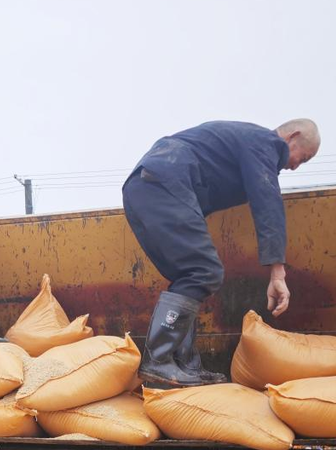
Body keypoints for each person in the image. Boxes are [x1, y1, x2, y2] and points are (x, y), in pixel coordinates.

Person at [122, 119, 321, 387]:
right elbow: (267, 201)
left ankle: (184, 365)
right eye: (303, 157)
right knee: (204, 271)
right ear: (292, 136)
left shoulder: (244, 144)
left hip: (145, 187)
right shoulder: (266, 143)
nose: (295, 165)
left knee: (190, 276)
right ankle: (158, 361)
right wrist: (277, 271)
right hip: (164, 182)